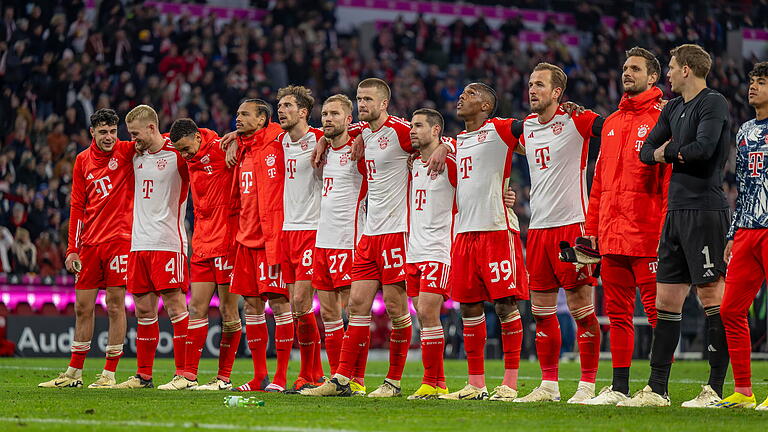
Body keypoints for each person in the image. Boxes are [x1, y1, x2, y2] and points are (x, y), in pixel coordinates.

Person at [302, 78, 450, 398]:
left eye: (368, 99)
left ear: (384, 103)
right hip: (369, 232)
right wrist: (323, 141)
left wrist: (447, 146)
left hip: (397, 232)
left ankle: (393, 381)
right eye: (359, 99)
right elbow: (345, 130)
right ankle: (345, 378)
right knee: (356, 304)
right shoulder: (364, 133)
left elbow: (432, 141)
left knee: (397, 308)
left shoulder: (400, 131)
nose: (362, 104)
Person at [621, 44, 731, 408]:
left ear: (687, 69)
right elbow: (644, 152)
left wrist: (668, 152)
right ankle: (657, 389)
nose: (666, 74)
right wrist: (672, 151)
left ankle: (714, 389)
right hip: (674, 213)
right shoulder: (673, 107)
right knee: (667, 300)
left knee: (712, 297)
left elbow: (703, 148)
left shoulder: (713, 102)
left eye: (670, 67)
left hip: (705, 211)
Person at [581, 47, 669, 405]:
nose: (626, 73)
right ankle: (619, 388)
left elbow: (667, 181)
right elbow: (598, 184)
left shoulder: (664, 118)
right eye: (624, 68)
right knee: (617, 315)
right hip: (612, 237)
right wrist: (590, 239)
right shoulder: (613, 123)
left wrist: (667, 234)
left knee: (660, 313)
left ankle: (657, 388)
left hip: (648, 235)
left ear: (653, 77)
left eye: (635, 68)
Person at [513, 63, 603, 404]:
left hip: (573, 228)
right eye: (530, 83)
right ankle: (548, 386)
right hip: (537, 230)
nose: (532, 89)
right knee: (541, 311)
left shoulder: (575, 121)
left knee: (581, 307)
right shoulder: (527, 129)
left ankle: (587, 386)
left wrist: (583, 109)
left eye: (539, 84)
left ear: (557, 93)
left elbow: (610, 129)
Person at [438, 83, 528, 401]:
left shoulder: (500, 128)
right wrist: (443, 147)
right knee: (469, 307)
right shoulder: (460, 140)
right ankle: (476, 384)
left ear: (487, 105)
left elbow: (534, 134)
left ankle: (510, 383)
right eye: (461, 92)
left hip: (496, 230)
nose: (461, 96)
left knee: (505, 305)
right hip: (464, 233)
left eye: (471, 93)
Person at [38, 109, 132, 389]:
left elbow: (157, 139)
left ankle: (109, 374)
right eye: (103, 132)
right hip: (90, 244)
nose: (109, 137)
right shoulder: (82, 160)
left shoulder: (126, 152)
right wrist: (72, 249)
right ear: (92, 132)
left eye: (113, 132)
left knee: (115, 305)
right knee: (82, 306)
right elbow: (77, 206)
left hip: (119, 242)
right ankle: (74, 373)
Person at [113, 105, 191, 390]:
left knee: (175, 307)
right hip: (138, 244)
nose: (134, 139)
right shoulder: (134, 155)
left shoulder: (177, 153)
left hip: (168, 243)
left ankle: (184, 375)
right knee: (144, 310)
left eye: (137, 133)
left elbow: (202, 143)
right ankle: (143, 375)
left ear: (151, 127)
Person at [166, 118, 241, 391]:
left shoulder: (223, 147)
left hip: (228, 242)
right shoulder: (188, 152)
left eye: (186, 149)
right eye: (180, 151)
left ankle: (223, 378)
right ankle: (188, 376)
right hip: (202, 242)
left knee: (227, 310)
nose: (184, 156)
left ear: (198, 137)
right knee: (196, 308)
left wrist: (236, 139)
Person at [226, 99, 289, 393]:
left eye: (244, 114)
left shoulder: (277, 139)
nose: (237, 118)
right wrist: (234, 139)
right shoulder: (243, 149)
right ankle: (259, 375)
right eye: (237, 113)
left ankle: (281, 376)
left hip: (270, 241)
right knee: (250, 306)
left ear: (262, 118)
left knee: (279, 305)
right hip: (245, 240)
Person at [715, 61, 768, 410]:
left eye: (761, 82)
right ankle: (744, 390)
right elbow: (744, 186)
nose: (753, 88)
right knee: (731, 309)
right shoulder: (745, 130)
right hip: (748, 229)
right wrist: (733, 232)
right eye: (752, 82)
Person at [309, 94, 366, 382]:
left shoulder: (362, 148)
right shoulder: (325, 150)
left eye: (334, 114)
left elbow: (379, 128)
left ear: (349, 119)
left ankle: (355, 379)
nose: (328, 119)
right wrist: (322, 140)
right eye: (324, 115)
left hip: (348, 239)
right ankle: (335, 378)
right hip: (323, 239)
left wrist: (359, 133)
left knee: (354, 311)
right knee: (328, 312)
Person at [275, 85, 325, 391]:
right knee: (297, 308)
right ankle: (314, 372)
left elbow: (354, 128)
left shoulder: (320, 138)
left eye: (287, 106)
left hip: (313, 229)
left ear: (303, 112)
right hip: (287, 230)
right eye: (279, 106)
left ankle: (309, 373)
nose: (281, 110)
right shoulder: (280, 140)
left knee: (301, 301)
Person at [405, 108, 455, 400]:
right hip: (414, 250)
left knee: (427, 311)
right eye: (411, 125)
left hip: (438, 248)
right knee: (423, 317)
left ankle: (428, 381)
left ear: (436, 130)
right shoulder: (412, 162)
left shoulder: (451, 161)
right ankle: (440, 384)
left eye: (419, 125)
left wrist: (504, 195)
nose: (412, 130)